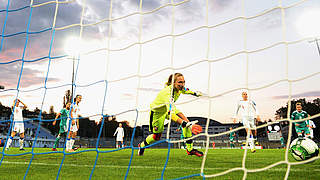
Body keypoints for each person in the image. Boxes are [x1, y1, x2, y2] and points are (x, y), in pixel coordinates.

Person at [138, 73, 203, 157]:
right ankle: (142, 145)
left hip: (169, 109)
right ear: (173, 83)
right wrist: (184, 123)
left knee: (187, 124)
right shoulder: (167, 93)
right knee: (156, 137)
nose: (182, 84)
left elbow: (186, 90)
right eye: (180, 82)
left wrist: (195, 93)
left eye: (183, 82)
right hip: (157, 114)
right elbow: (171, 114)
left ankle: (190, 150)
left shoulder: (180, 89)